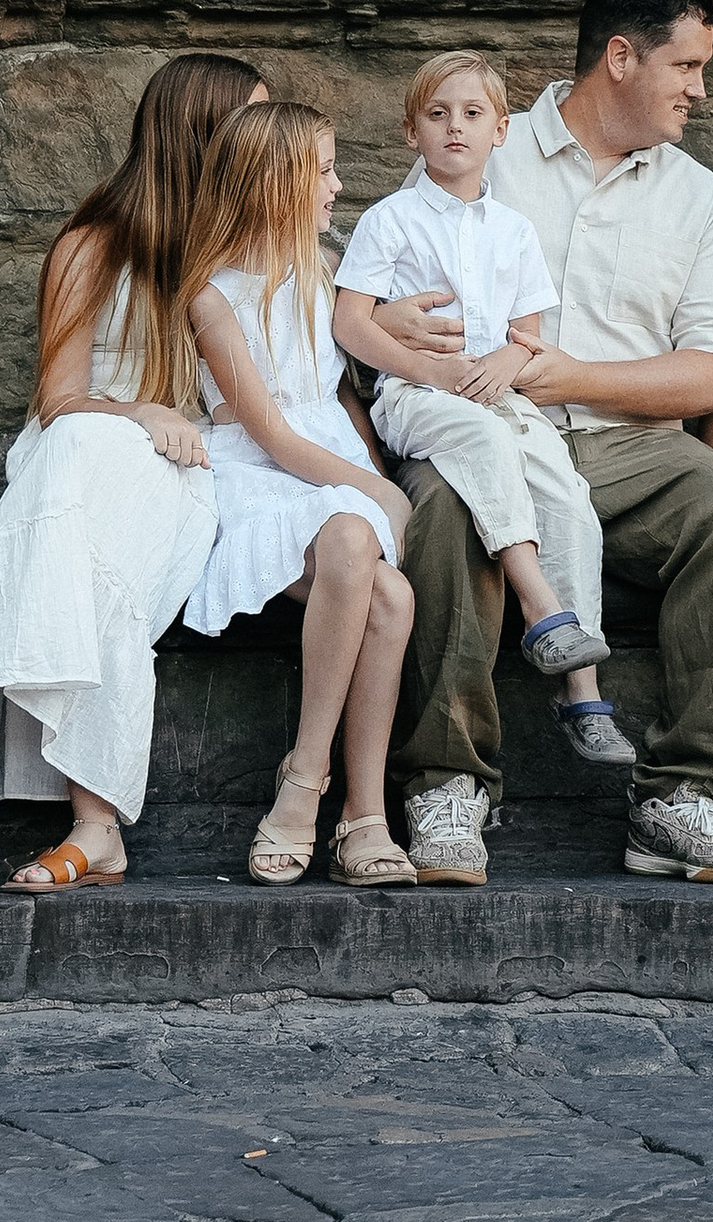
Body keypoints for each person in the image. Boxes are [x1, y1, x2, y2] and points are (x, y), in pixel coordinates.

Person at [371, 0, 713, 888]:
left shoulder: (700, 198)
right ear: (621, 57)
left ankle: (681, 796)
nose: (700, 89)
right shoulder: (485, 141)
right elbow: (397, 299)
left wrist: (569, 373)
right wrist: (408, 333)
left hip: (628, 446)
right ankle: (447, 783)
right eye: (688, 65)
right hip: (485, 423)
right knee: (436, 506)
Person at [0, 50, 261, 890]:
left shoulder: (243, 253)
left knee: (72, 521)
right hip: (78, 449)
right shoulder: (91, 245)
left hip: (178, 476)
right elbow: (61, 399)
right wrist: (141, 411)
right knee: (74, 479)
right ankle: (95, 826)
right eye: (250, 121)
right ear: (203, 136)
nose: (265, 138)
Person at [333, 52, 623, 766]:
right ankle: (539, 606)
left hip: (496, 397)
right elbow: (351, 323)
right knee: (484, 447)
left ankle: (581, 691)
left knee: (566, 494)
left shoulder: (514, 231)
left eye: (471, 116)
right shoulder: (390, 220)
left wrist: (506, 362)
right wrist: (424, 365)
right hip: (417, 397)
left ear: (500, 131)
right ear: (412, 133)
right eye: (437, 115)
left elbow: (530, 337)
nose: (454, 128)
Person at [180, 98, 417, 890]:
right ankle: (311, 780)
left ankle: (363, 813)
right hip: (258, 474)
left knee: (392, 598)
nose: (339, 186)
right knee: (357, 536)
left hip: (330, 467)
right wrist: (384, 494)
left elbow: (342, 395)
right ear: (277, 184)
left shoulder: (320, 275)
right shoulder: (213, 297)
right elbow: (274, 437)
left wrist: (369, 467)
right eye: (323, 170)